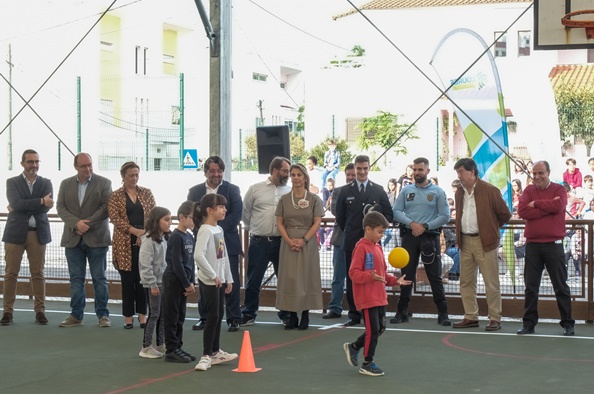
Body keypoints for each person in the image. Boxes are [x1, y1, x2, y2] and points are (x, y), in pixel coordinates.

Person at [343, 211, 411, 377]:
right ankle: (367, 363)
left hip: (379, 296)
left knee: (380, 328)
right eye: (379, 232)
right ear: (368, 229)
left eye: (383, 232)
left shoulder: (378, 248)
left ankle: (354, 346)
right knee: (373, 330)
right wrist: (369, 276)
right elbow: (353, 273)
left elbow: (382, 275)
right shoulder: (361, 248)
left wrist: (395, 281)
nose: (382, 236)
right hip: (367, 297)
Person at [451, 158, 511, 331]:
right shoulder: (459, 192)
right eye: (458, 173)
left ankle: (494, 318)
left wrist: (489, 229)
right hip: (465, 241)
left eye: (461, 172)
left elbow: (505, 215)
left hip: (485, 242)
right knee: (466, 282)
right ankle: (470, 316)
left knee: (491, 282)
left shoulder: (490, 190)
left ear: (472, 171)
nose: (459, 176)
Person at [517, 160, 575, 336]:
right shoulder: (528, 190)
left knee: (560, 286)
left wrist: (536, 204)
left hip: (554, 246)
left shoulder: (559, 189)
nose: (537, 177)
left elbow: (559, 206)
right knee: (530, 287)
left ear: (548, 173)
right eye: (534, 173)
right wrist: (547, 207)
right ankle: (529, 324)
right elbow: (522, 211)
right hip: (533, 246)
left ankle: (568, 324)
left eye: (540, 173)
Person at [392, 157, 451, 326]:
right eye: (415, 169)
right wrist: (412, 224)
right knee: (406, 274)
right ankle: (402, 312)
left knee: (434, 276)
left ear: (428, 171)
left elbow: (445, 216)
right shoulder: (406, 191)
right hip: (409, 236)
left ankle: (443, 313)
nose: (417, 173)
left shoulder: (438, 192)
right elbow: (396, 211)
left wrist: (425, 226)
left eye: (420, 170)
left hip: (429, 238)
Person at [335, 155, 393, 326]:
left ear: (369, 168)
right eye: (359, 168)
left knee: (377, 276)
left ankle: (377, 312)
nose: (362, 172)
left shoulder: (378, 190)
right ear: (355, 168)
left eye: (365, 168)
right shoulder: (345, 191)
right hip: (352, 243)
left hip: (373, 245)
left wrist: (376, 228)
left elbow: (389, 215)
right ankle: (354, 314)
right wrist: (354, 231)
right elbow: (340, 218)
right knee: (352, 277)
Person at [56, 153, 112, 328]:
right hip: (72, 239)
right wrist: (76, 224)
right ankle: (76, 315)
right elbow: (60, 207)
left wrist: (86, 224)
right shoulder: (65, 184)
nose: (88, 169)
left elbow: (106, 207)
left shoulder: (104, 183)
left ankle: (103, 315)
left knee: (99, 278)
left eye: (90, 164)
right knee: (76, 279)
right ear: (76, 167)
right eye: (83, 166)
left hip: (97, 238)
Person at [187, 156, 242, 332]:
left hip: (228, 242)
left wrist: (215, 228)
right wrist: (207, 229)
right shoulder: (195, 191)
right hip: (203, 243)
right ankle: (204, 318)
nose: (216, 174)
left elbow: (235, 216)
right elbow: (192, 214)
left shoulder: (232, 190)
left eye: (219, 171)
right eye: (212, 171)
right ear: (205, 172)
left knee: (230, 279)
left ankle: (234, 318)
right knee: (205, 280)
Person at [1, 149, 53, 326]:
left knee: (38, 274)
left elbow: (47, 208)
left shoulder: (46, 183)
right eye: (30, 162)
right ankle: (7, 311)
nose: (34, 165)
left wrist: (21, 206)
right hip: (15, 234)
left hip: (37, 234)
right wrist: (39, 201)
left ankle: (40, 311)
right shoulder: (12, 182)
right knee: (10, 274)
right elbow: (15, 203)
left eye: (37, 161)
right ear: (22, 163)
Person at [241, 157, 291, 326]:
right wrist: (255, 229)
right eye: (285, 171)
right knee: (253, 280)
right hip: (259, 242)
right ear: (275, 170)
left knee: (284, 280)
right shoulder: (255, 189)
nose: (288, 175)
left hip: (281, 243)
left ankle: (286, 314)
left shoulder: (290, 191)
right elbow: (245, 212)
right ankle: (248, 313)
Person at [275, 163, 324, 330]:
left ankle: (305, 314)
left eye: (299, 175)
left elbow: (317, 221)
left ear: (305, 178)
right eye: (293, 175)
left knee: (307, 277)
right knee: (290, 278)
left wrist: (304, 240)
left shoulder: (314, 199)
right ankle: (292, 315)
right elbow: (279, 222)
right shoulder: (284, 199)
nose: (295, 178)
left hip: (307, 243)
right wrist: (289, 240)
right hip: (288, 242)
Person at [193, 194, 238, 371]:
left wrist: (229, 278)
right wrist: (213, 275)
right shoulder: (205, 230)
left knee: (219, 315)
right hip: (210, 281)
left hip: (219, 281)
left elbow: (223, 255)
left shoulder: (218, 229)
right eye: (221, 207)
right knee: (212, 316)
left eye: (224, 207)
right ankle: (205, 355)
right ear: (209, 210)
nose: (224, 210)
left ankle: (215, 351)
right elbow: (198, 255)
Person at [108, 161, 156, 329]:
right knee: (127, 280)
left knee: (143, 279)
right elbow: (115, 218)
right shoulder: (116, 196)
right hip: (124, 243)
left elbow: (153, 214)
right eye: (131, 175)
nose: (134, 178)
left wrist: (143, 232)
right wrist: (134, 231)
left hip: (144, 241)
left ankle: (143, 315)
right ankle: (128, 317)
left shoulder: (147, 193)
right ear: (123, 176)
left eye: (136, 174)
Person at [162, 201, 197, 362]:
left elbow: (191, 261)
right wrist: (185, 283)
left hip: (184, 282)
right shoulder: (176, 237)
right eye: (191, 218)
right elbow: (177, 263)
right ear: (182, 217)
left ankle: (178, 346)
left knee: (181, 315)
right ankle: (171, 349)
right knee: (172, 315)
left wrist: (192, 281)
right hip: (173, 281)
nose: (193, 221)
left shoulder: (189, 236)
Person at [323, 163, 356, 319]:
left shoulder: (366, 192)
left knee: (358, 277)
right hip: (341, 239)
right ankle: (335, 307)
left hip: (359, 240)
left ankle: (357, 308)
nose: (350, 177)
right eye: (348, 174)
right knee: (338, 276)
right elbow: (336, 211)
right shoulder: (338, 191)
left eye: (353, 174)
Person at [138, 206, 171, 358]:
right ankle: (145, 347)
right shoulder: (148, 241)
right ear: (157, 221)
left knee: (162, 314)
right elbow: (145, 264)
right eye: (166, 220)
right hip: (153, 284)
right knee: (154, 314)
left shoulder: (163, 238)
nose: (169, 223)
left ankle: (160, 343)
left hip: (161, 282)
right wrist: (152, 284)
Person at [319, 177, 335, 250]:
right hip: (326, 211)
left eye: (331, 185)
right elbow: (325, 203)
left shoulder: (334, 192)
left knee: (330, 230)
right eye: (328, 185)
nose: (329, 187)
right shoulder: (324, 191)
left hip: (332, 220)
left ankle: (328, 245)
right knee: (320, 230)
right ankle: (322, 243)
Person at [382, 178, 398, 248]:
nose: (391, 187)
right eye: (389, 185)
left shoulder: (398, 194)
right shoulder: (387, 194)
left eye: (392, 185)